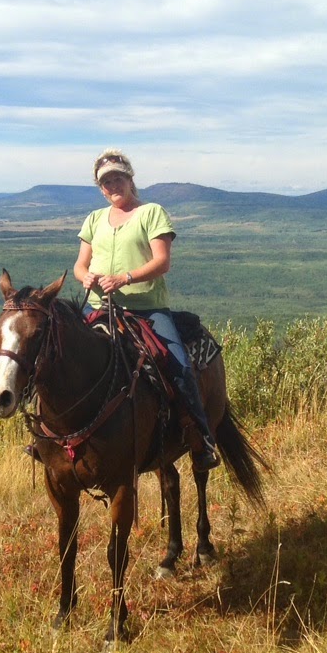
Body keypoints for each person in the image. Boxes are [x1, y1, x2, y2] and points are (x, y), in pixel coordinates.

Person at [72, 149, 220, 469]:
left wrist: (125, 278)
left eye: (118, 178)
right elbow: (80, 266)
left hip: (146, 309)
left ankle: (201, 438)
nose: (113, 186)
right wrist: (87, 278)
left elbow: (162, 262)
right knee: (56, 351)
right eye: (107, 182)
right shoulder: (94, 219)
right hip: (98, 307)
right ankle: (49, 438)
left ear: (130, 179)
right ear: (100, 188)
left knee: (177, 362)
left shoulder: (151, 213)